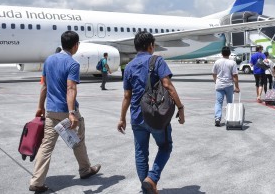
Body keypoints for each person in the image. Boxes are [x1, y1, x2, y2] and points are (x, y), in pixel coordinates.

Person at [29, 31, 101, 193]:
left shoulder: (49, 60)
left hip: (51, 111)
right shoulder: (72, 64)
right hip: (66, 111)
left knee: (46, 145)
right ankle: (85, 170)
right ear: (76, 45)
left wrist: (40, 107)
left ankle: (37, 181)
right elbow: (71, 88)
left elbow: (44, 86)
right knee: (78, 140)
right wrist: (71, 112)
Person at [117, 31, 185, 194]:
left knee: (141, 153)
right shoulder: (157, 60)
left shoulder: (129, 67)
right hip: (156, 116)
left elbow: (127, 95)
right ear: (150, 46)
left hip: (136, 116)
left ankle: (146, 188)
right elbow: (167, 85)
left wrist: (122, 118)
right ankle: (152, 178)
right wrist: (180, 108)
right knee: (165, 146)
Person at [212, 46, 240, 127]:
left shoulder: (217, 62)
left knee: (218, 102)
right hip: (228, 85)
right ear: (230, 53)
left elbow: (214, 73)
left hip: (219, 84)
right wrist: (237, 87)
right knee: (229, 103)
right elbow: (235, 76)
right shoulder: (232, 63)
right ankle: (229, 117)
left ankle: (217, 118)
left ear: (221, 53)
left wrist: (215, 81)